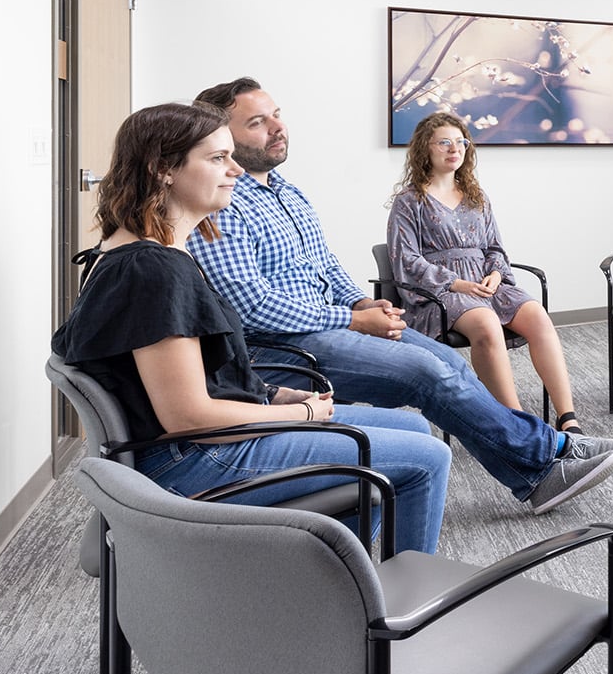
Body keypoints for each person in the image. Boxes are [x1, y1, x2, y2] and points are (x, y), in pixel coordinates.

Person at [188, 78, 613, 516]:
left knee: (451, 362)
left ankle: (538, 466)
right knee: (427, 372)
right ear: (223, 135)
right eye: (258, 123)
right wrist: (353, 321)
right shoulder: (223, 200)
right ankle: (550, 454)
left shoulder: (287, 191)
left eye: (277, 115)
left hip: (332, 320)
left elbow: (326, 265)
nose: (277, 128)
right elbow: (253, 307)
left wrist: (362, 303)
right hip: (289, 341)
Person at [51, 102, 452, 554]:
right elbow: (187, 416)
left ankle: (329, 589)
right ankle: (396, 616)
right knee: (428, 458)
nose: (237, 171)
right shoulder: (154, 271)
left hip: (198, 443)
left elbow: (195, 375)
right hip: (196, 458)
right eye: (218, 158)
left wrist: (276, 395)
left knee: (415, 433)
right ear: (163, 168)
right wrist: (299, 415)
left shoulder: (142, 252)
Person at [387, 111, 584, 433]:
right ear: (425, 149)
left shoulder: (476, 195)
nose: (455, 149)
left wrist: (495, 274)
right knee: (486, 323)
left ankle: (568, 417)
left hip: (485, 282)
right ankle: (518, 425)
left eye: (461, 142)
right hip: (443, 291)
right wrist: (456, 283)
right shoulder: (410, 201)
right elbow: (405, 260)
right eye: (444, 143)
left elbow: (494, 248)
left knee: (537, 316)